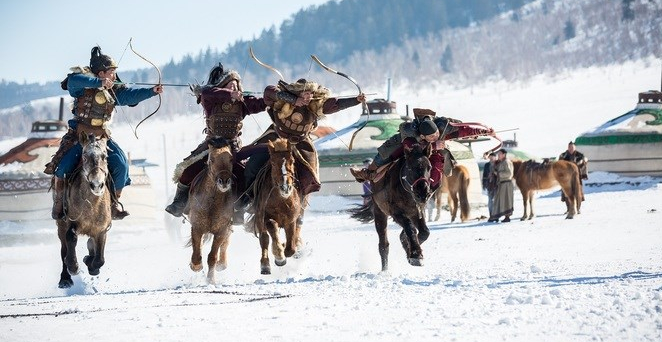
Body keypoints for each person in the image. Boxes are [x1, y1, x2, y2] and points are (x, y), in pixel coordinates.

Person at [45, 46, 163, 220]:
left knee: (122, 166)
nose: (114, 77)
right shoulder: (81, 85)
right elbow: (72, 81)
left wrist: (151, 92)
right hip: (80, 136)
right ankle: (59, 204)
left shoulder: (112, 91)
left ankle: (113, 204)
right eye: (111, 72)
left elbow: (129, 96)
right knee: (62, 167)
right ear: (101, 73)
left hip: (101, 138)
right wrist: (99, 84)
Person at [238, 79, 366, 214]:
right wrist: (293, 100)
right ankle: (247, 198)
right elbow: (269, 92)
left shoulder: (315, 104)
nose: (308, 97)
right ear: (298, 92)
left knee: (310, 174)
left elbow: (336, 104)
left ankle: (300, 207)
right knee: (254, 164)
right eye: (305, 93)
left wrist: (356, 100)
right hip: (277, 138)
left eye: (311, 94)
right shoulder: (282, 100)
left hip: (301, 142)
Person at [165, 64, 267, 218]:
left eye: (236, 84)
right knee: (188, 170)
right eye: (229, 84)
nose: (233, 86)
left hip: (233, 148)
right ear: (222, 86)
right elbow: (207, 92)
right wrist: (230, 95)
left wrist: (273, 97)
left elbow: (261, 103)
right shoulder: (211, 101)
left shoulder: (243, 102)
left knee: (244, 174)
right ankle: (179, 202)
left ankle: (238, 209)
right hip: (212, 146)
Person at [350, 108, 494, 186]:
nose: (435, 136)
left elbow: (463, 130)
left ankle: (431, 185)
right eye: (431, 136)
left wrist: (482, 131)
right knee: (385, 156)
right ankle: (367, 173)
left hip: (433, 149)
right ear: (423, 136)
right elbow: (412, 149)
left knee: (440, 160)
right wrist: (433, 144)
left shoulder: (442, 127)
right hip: (406, 148)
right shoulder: (410, 134)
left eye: (436, 133)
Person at [489, 148, 514, 223]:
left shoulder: (507, 162)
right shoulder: (501, 162)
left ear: (504, 154)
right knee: (499, 200)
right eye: (498, 154)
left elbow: (509, 173)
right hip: (501, 184)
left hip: (506, 184)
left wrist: (498, 174)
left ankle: (507, 217)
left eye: (500, 154)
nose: (498, 155)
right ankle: (495, 216)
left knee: (507, 200)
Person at [481, 151, 498, 217]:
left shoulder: (498, 164)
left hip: (497, 185)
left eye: (492, 157)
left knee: (496, 200)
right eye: (490, 157)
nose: (491, 159)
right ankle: (491, 214)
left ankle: (496, 215)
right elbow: (484, 175)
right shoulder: (487, 165)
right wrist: (484, 184)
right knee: (490, 200)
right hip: (489, 185)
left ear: (495, 158)